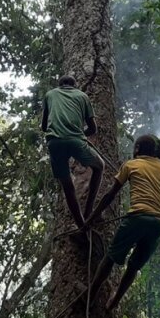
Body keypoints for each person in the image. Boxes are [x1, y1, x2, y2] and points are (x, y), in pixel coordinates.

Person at [84, 134, 160, 310]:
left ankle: (89, 296)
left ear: (137, 149)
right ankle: (114, 303)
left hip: (138, 217)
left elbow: (110, 195)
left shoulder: (131, 165)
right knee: (134, 266)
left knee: (111, 257)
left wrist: (91, 218)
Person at [42, 75, 104, 229]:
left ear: (60, 85)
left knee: (67, 186)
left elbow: (44, 126)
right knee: (100, 166)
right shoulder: (83, 96)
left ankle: (80, 224)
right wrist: (81, 134)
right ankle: (89, 211)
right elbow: (93, 128)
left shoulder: (50, 94)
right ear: (74, 85)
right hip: (76, 141)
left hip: (54, 143)